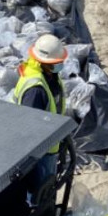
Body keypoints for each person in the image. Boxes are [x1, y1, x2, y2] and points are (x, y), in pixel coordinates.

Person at [13, 33, 67, 198]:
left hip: (52, 143)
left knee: (47, 188)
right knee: (38, 192)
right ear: (43, 63)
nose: (59, 66)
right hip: (41, 153)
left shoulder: (50, 76)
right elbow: (30, 126)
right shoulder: (35, 90)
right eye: (55, 64)